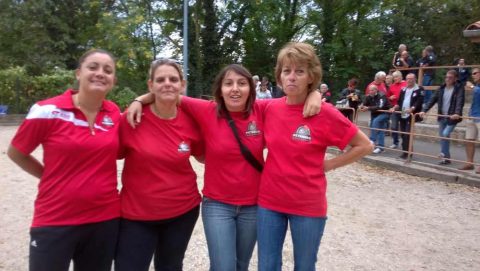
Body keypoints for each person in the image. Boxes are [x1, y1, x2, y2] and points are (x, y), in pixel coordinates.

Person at [127, 64, 322, 270]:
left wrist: (314, 93)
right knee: (223, 266)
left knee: (241, 264)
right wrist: (138, 100)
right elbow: (169, 94)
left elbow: (292, 101)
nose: (235, 89)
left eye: (241, 83)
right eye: (228, 84)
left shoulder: (263, 109)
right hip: (217, 204)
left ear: (251, 88)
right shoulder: (207, 110)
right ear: (220, 89)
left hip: (254, 205)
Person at [257, 42, 373, 271]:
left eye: (299, 71)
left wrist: (329, 165)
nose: (291, 77)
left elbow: (365, 145)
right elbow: (232, 105)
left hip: (307, 205)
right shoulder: (268, 108)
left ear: (311, 76)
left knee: (305, 265)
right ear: (279, 76)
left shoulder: (325, 113)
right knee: (267, 265)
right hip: (269, 202)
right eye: (286, 71)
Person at [7, 49, 121, 271]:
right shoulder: (47, 110)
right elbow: (16, 152)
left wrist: (139, 99)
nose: (100, 73)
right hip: (55, 218)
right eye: (93, 67)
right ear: (78, 73)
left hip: (104, 220)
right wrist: (46, 174)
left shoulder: (114, 113)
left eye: (107, 71)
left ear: (113, 81)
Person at [115, 59, 204, 271]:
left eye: (173, 79)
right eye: (160, 79)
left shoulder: (191, 120)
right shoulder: (131, 118)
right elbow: (103, 153)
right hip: (136, 215)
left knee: (170, 266)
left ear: (182, 85)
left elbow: (204, 156)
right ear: (150, 85)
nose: (167, 84)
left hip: (183, 211)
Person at [419, 70, 465, 165]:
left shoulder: (459, 88)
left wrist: (457, 113)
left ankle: (443, 154)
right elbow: (432, 99)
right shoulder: (441, 88)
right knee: (443, 137)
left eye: (450, 77)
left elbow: (460, 101)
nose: (447, 79)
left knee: (445, 134)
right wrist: (424, 110)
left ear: (455, 79)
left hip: (452, 117)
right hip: (442, 116)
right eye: (446, 77)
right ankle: (446, 158)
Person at [390, 73, 424, 159]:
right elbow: (399, 101)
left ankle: (408, 153)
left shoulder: (419, 89)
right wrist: (395, 107)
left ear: (415, 79)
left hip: (412, 115)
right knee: (403, 134)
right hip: (403, 113)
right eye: (408, 79)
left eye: (411, 79)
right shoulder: (403, 89)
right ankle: (406, 152)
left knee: (407, 134)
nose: (409, 80)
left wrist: (412, 108)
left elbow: (419, 101)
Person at [458, 67, 480, 173]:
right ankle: (469, 163)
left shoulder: (475, 87)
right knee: (469, 140)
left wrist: (471, 86)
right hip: (473, 115)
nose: (473, 75)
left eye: (475, 73)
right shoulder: (476, 86)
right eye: (472, 74)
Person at [360, 85, 391, 154]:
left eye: (372, 90)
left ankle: (372, 141)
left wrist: (368, 108)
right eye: (369, 90)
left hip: (384, 113)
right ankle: (380, 147)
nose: (370, 92)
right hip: (375, 114)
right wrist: (362, 106)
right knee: (380, 130)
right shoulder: (368, 96)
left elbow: (380, 106)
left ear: (376, 90)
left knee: (375, 122)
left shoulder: (382, 95)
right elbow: (364, 103)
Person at [387, 71, 407, 149]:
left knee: (403, 127)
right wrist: (390, 98)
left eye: (396, 77)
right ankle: (395, 142)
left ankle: (405, 144)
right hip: (394, 108)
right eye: (394, 77)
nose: (395, 79)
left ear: (401, 76)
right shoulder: (392, 86)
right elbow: (387, 97)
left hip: (404, 108)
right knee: (394, 126)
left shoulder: (406, 84)